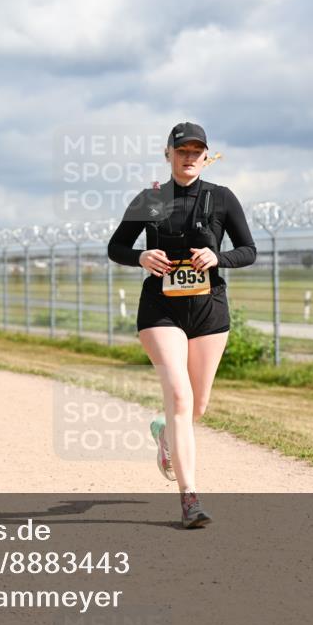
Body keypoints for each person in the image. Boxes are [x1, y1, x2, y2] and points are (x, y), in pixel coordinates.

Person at [108, 122, 256, 528]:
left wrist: (218, 259)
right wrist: (140, 257)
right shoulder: (150, 199)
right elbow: (116, 247)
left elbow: (248, 250)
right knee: (178, 394)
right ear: (168, 155)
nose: (188, 158)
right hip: (160, 309)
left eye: (196, 151)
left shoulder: (222, 198)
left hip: (209, 310)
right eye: (181, 151)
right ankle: (190, 499)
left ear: (206, 156)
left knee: (197, 405)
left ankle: (164, 433)